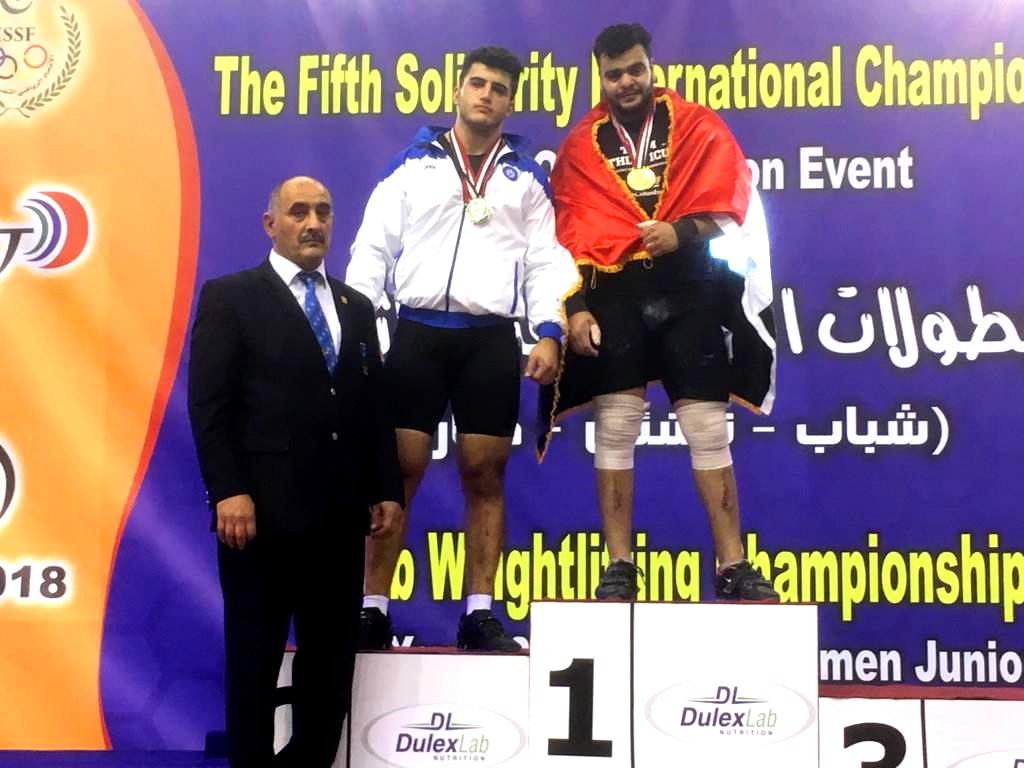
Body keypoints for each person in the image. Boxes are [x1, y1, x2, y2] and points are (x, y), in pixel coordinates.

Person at [347, 46, 578, 651]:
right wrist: (361, 329)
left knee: (485, 472)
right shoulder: (412, 165)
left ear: (509, 102)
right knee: (397, 472)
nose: (486, 95)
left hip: (488, 341)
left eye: (498, 89)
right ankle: (371, 608)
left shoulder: (525, 178)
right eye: (477, 84)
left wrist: (548, 331)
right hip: (417, 334)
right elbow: (373, 249)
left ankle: (479, 613)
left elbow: (544, 262)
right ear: (457, 91)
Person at [539, 24, 779, 602]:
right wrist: (576, 309)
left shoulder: (696, 125)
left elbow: (730, 202)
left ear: (652, 68)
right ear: (600, 78)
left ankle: (732, 564)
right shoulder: (580, 146)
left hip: (688, 290)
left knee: (708, 428)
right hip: (615, 297)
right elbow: (562, 239)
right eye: (614, 74)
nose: (626, 82)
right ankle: (619, 565)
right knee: (616, 427)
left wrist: (682, 231)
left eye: (635, 70)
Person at [188, 176, 403, 767]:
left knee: (330, 669)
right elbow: (209, 406)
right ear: (271, 224)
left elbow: (372, 406)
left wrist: (386, 487)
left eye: (323, 213)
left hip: (339, 521)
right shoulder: (231, 297)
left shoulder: (356, 307)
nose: (313, 224)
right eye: (299, 212)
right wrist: (228, 490)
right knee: (253, 662)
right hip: (258, 520)